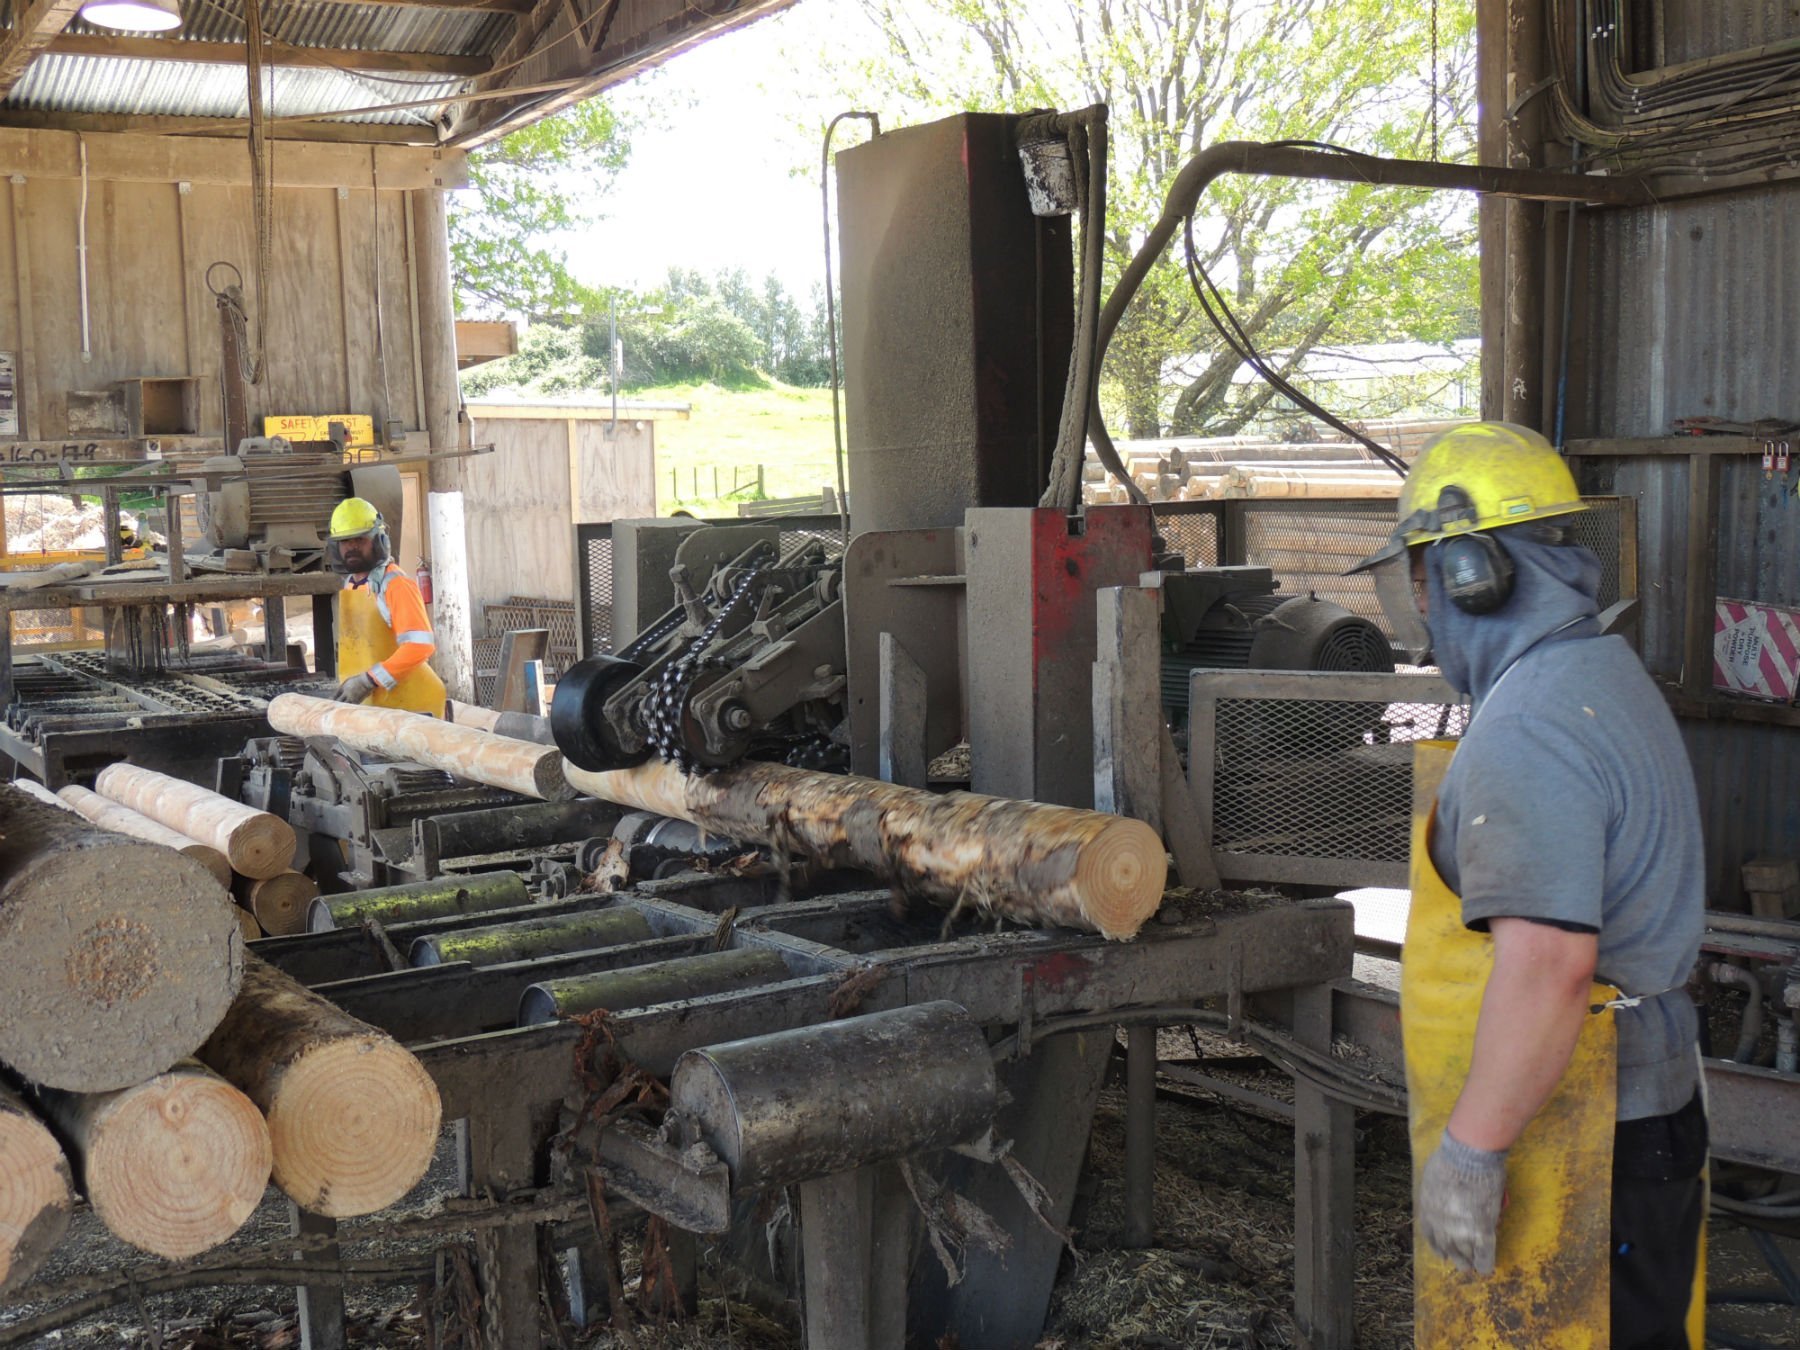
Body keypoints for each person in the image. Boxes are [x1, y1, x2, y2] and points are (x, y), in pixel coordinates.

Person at [1351, 422, 1705, 1348]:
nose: (1418, 603)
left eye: (1423, 574)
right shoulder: (1598, 674)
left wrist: (1474, 1147)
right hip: (1647, 1105)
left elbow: (1548, 967)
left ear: (1475, 574)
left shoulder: (1531, 727)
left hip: (1592, 1128)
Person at [325, 497, 446, 716]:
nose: (351, 547)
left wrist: (368, 681)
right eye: (345, 542)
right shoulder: (351, 585)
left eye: (360, 540)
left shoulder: (395, 584)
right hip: (377, 706)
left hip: (413, 706)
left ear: (378, 540)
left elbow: (420, 647)